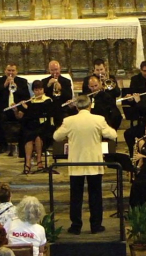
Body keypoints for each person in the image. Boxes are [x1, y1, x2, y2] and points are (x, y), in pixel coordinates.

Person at [53, 95, 117, 235]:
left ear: (76, 107)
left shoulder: (69, 121)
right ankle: (96, 225)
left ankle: (75, 226)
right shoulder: (98, 119)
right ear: (90, 105)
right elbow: (112, 134)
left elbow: (56, 137)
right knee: (95, 195)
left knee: (76, 197)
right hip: (94, 162)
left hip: (76, 163)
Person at [0, 63, 31, 153]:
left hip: (17, 109)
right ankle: (3, 144)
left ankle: (22, 146)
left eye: (13, 71)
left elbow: (27, 96)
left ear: (16, 72)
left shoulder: (22, 81)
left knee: (27, 120)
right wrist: (4, 85)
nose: (10, 73)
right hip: (3, 110)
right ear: (5, 71)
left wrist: (16, 87)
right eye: (9, 70)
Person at [14, 80, 53, 173]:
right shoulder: (30, 101)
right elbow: (20, 116)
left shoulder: (47, 100)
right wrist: (15, 110)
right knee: (28, 136)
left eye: (40, 89)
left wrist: (27, 108)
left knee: (37, 136)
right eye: (36, 90)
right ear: (33, 91)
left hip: (44, 125)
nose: (38, 92)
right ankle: (27, 163)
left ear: (43, 90)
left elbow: (41, 113)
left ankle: (39, 160)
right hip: (31, 125)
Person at [41, 60, 74, 128]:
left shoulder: (66, 81)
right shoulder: (44, 81)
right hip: (49, 107)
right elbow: (41, 96)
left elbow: (69, 96)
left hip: (62, 108)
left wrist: (61, 89)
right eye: (52, 70)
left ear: (60, 69)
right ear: (49, 70)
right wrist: (48, 85)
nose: (54, 72)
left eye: (56, 70)